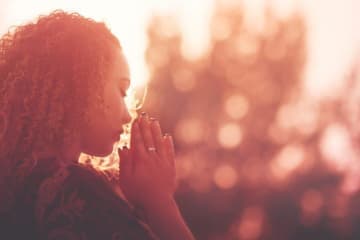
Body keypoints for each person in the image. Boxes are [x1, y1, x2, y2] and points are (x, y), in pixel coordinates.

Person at [0, 10, 195, 240]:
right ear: (83, 84)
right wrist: (159, 202)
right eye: (122, 91)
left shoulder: (14, 183)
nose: (127, 116)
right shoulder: (76, 194)